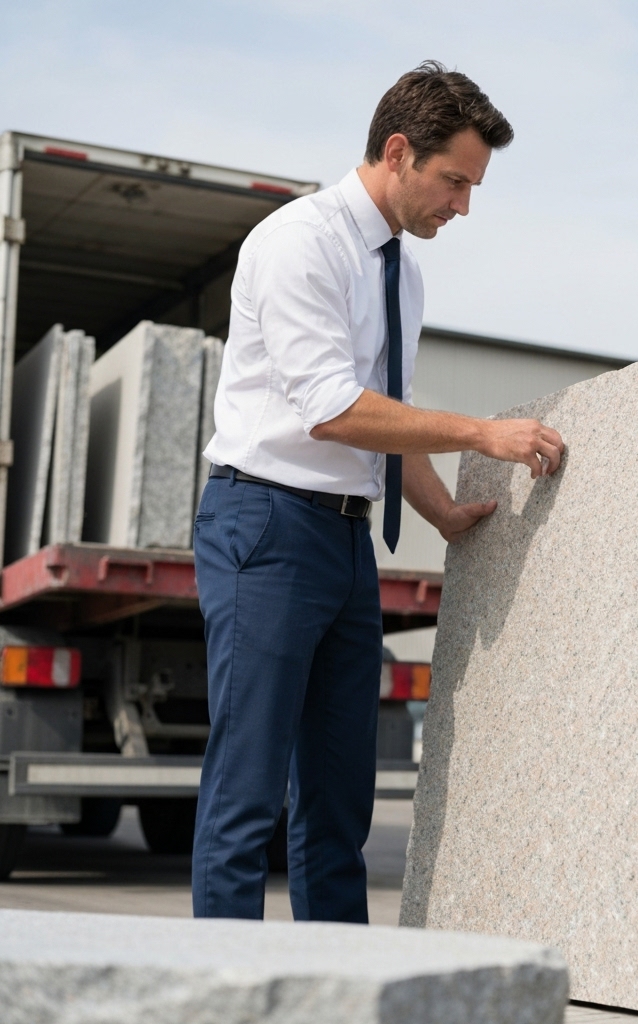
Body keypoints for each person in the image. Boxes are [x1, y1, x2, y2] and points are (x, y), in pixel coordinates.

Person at [191, 61, 564, 921]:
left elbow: (382, 413)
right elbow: (332, 410)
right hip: (266, 527)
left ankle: (338, 998)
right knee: (248, 794)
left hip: (345, 545)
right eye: (455, 181)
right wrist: (479, 434)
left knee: (338, 804)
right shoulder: (300, 243)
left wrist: (445, 513)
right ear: (399, 151)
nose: (464, 206)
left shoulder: (406, 272)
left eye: (473, 186)